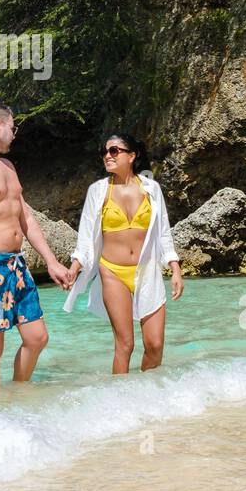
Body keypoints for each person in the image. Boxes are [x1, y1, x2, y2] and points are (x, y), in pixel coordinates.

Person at [0, 102, 71, 387]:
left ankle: (18, 395)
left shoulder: (7, 166)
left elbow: (25, 216)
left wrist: (51, 260)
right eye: (12, 127)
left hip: (17, 264)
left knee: (37, 337)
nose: (14, 134)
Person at [64, 133, 183, 373]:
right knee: (125, 344)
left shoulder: (151, 188)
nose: (108, 156)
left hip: (147, 270)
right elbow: (86, 238)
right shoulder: (97, 191)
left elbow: (163, 231)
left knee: (155, 344)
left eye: (114, 151)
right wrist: (74, 268)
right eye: (105, 152)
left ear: (132, 156)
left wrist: (175, 268)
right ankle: (119, 404)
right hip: (112, 272)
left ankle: (146, 396)